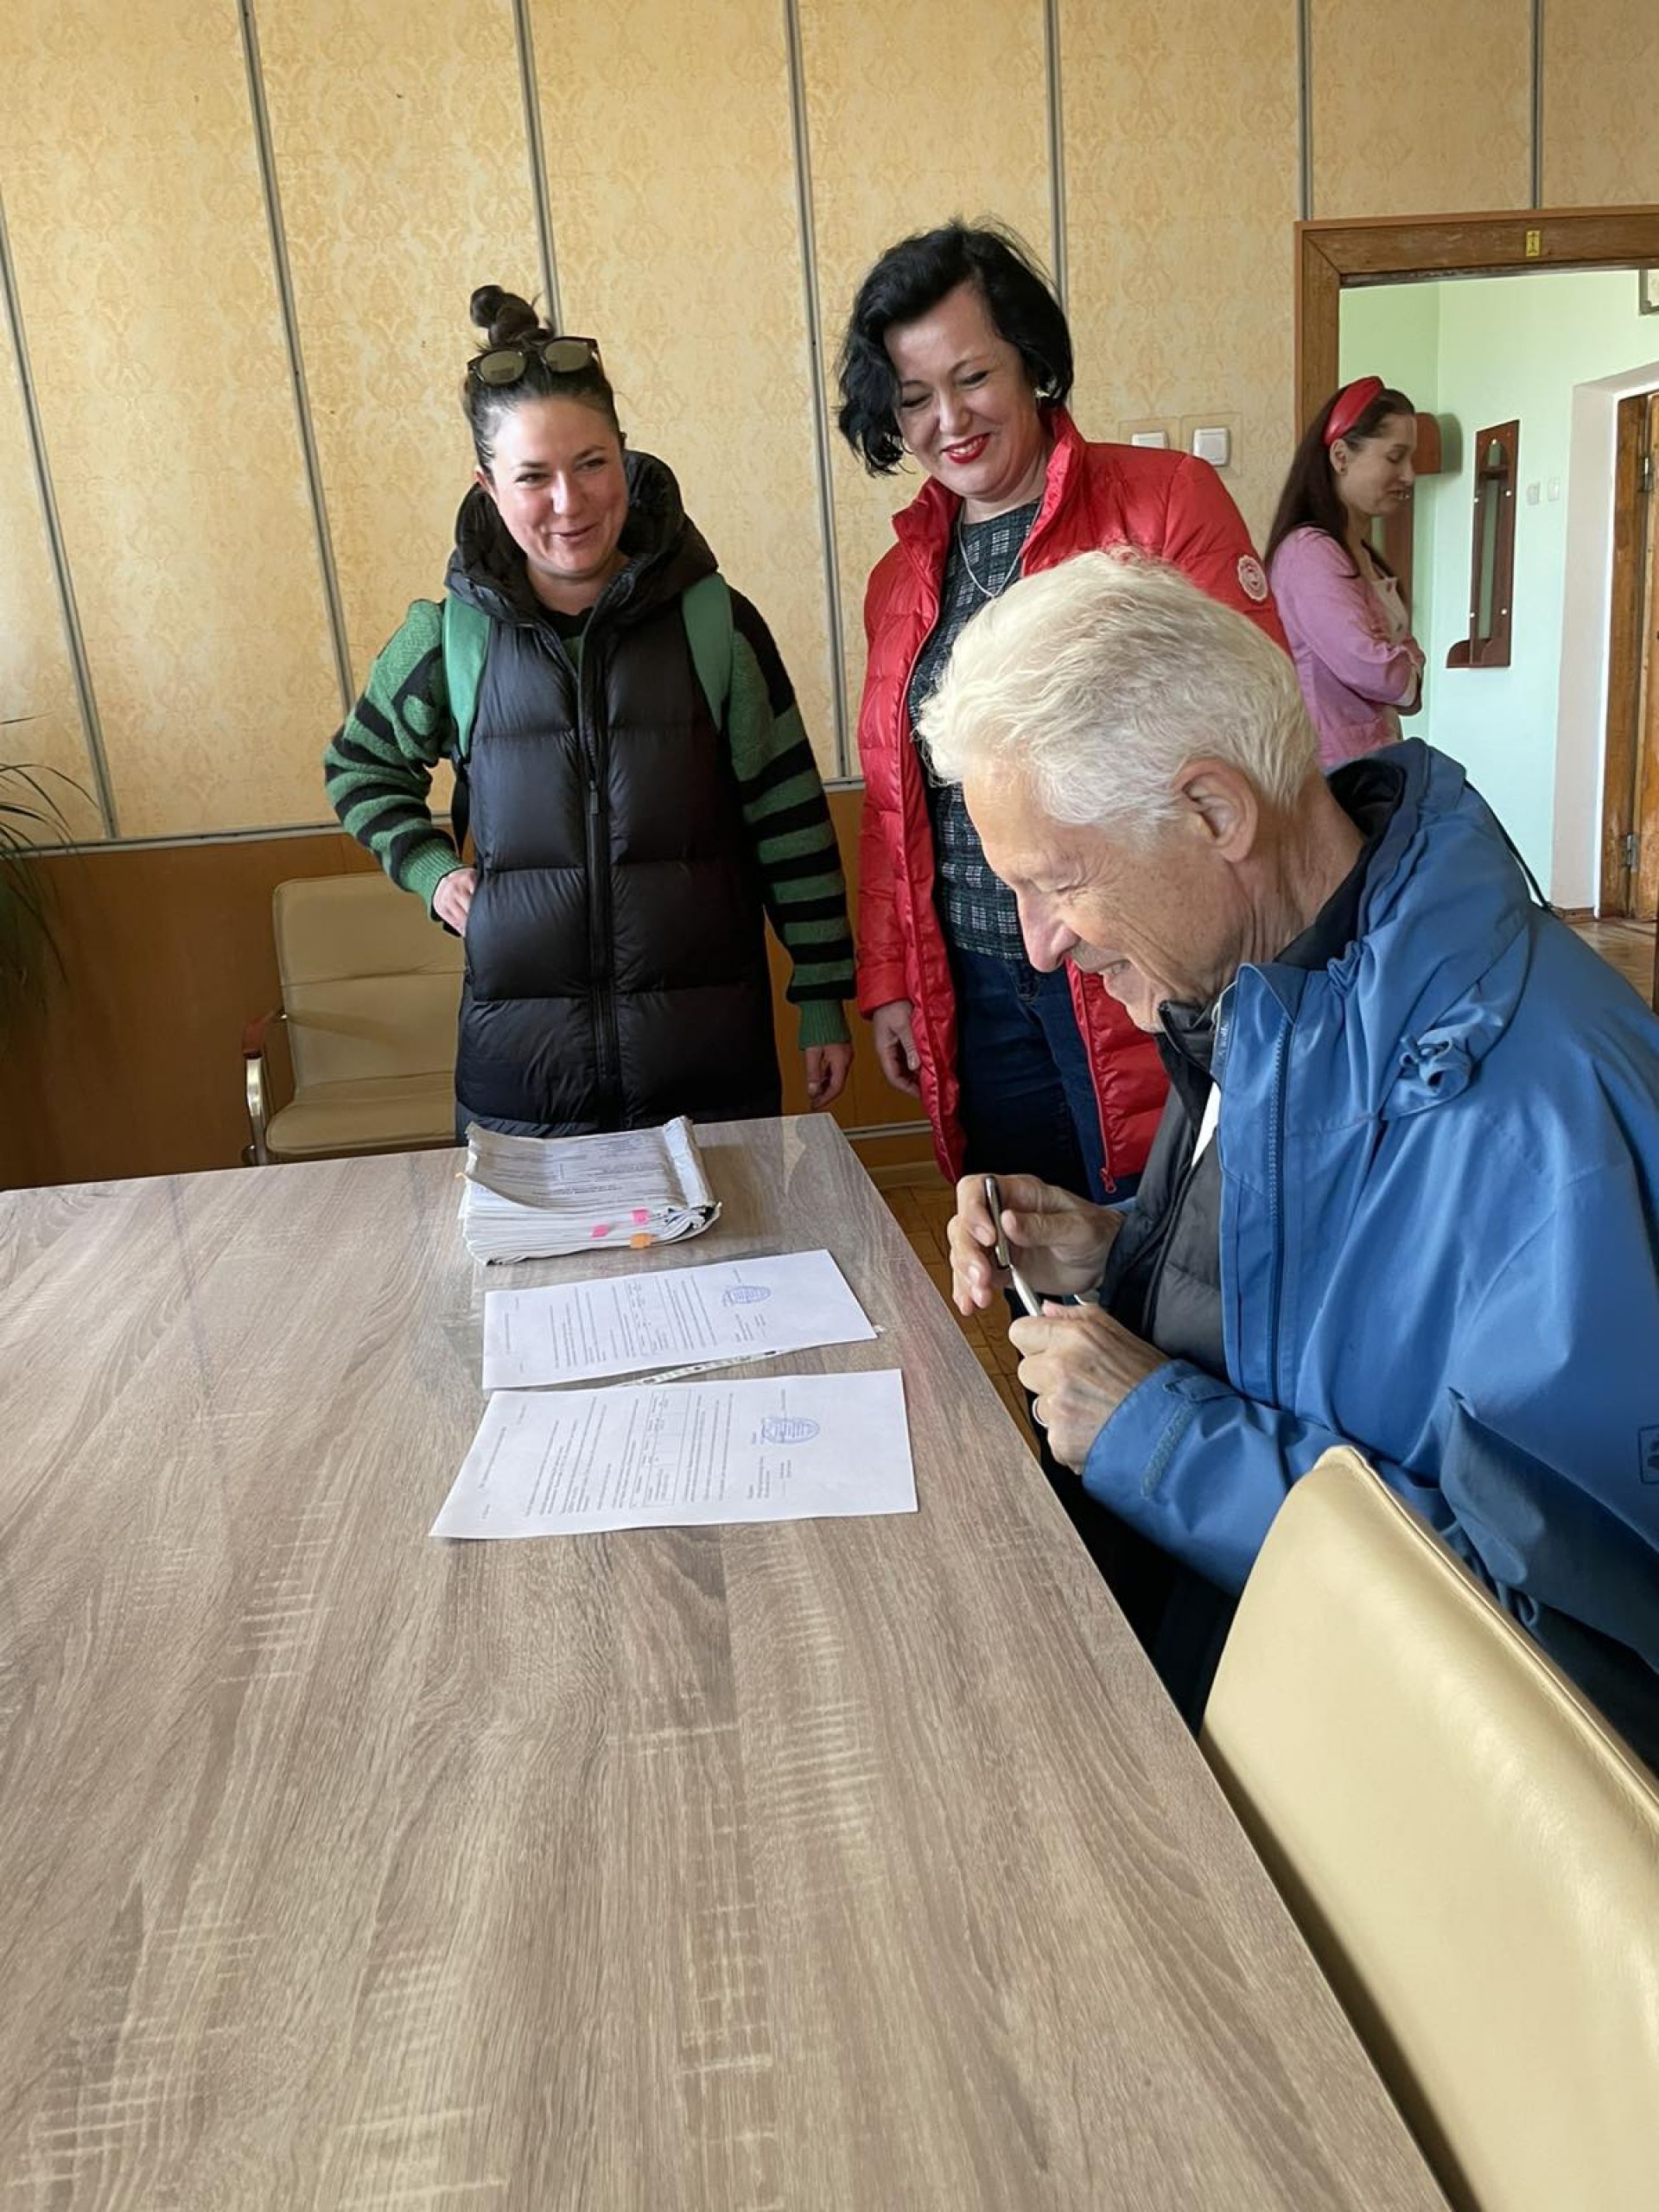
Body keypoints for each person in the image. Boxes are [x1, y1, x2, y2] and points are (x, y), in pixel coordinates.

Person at [932, 550, 1659, 1764]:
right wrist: (1125, 1250)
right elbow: (1338, 1307)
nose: (1041, 946)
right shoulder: (1273, 978)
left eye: (1057, 883)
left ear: (1216, 813)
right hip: (1200, 1690)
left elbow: (1569, 1665)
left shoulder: (1548, 1118)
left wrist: (1162, 1439)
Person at [324, 286, 854, 1138]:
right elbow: (359, 768)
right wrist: (432, 871)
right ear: (488, 486)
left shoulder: (714, 621)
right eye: (532, 476)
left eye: (592, 463)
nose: (569, 502)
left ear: (625, 459)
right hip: (523, 1081)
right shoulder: (448, 639)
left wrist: (821, 993)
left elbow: (787, 818)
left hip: (709, 1067)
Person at [836, 221, 1287, 1205]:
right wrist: (893, 980)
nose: (949, 419)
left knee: (1167, 1230)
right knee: (1025, 1234)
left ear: (1031, 362)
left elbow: (1258, 735)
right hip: (975, 981)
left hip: (1137, 959)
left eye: (973, 377)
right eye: (914, 397)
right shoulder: (898, 581)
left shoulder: (1165, 504)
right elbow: (892, 807)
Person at [1266, 377, 1426, 770]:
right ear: (1341, 457)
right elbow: (1370, 667)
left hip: (1371, 764)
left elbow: (1399, 658)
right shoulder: (1310, 553)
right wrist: (1407, 668)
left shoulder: (1359, 555)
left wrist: (1403, 666)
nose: (1409, 475)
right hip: (1332, 773)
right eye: (1395, 457)